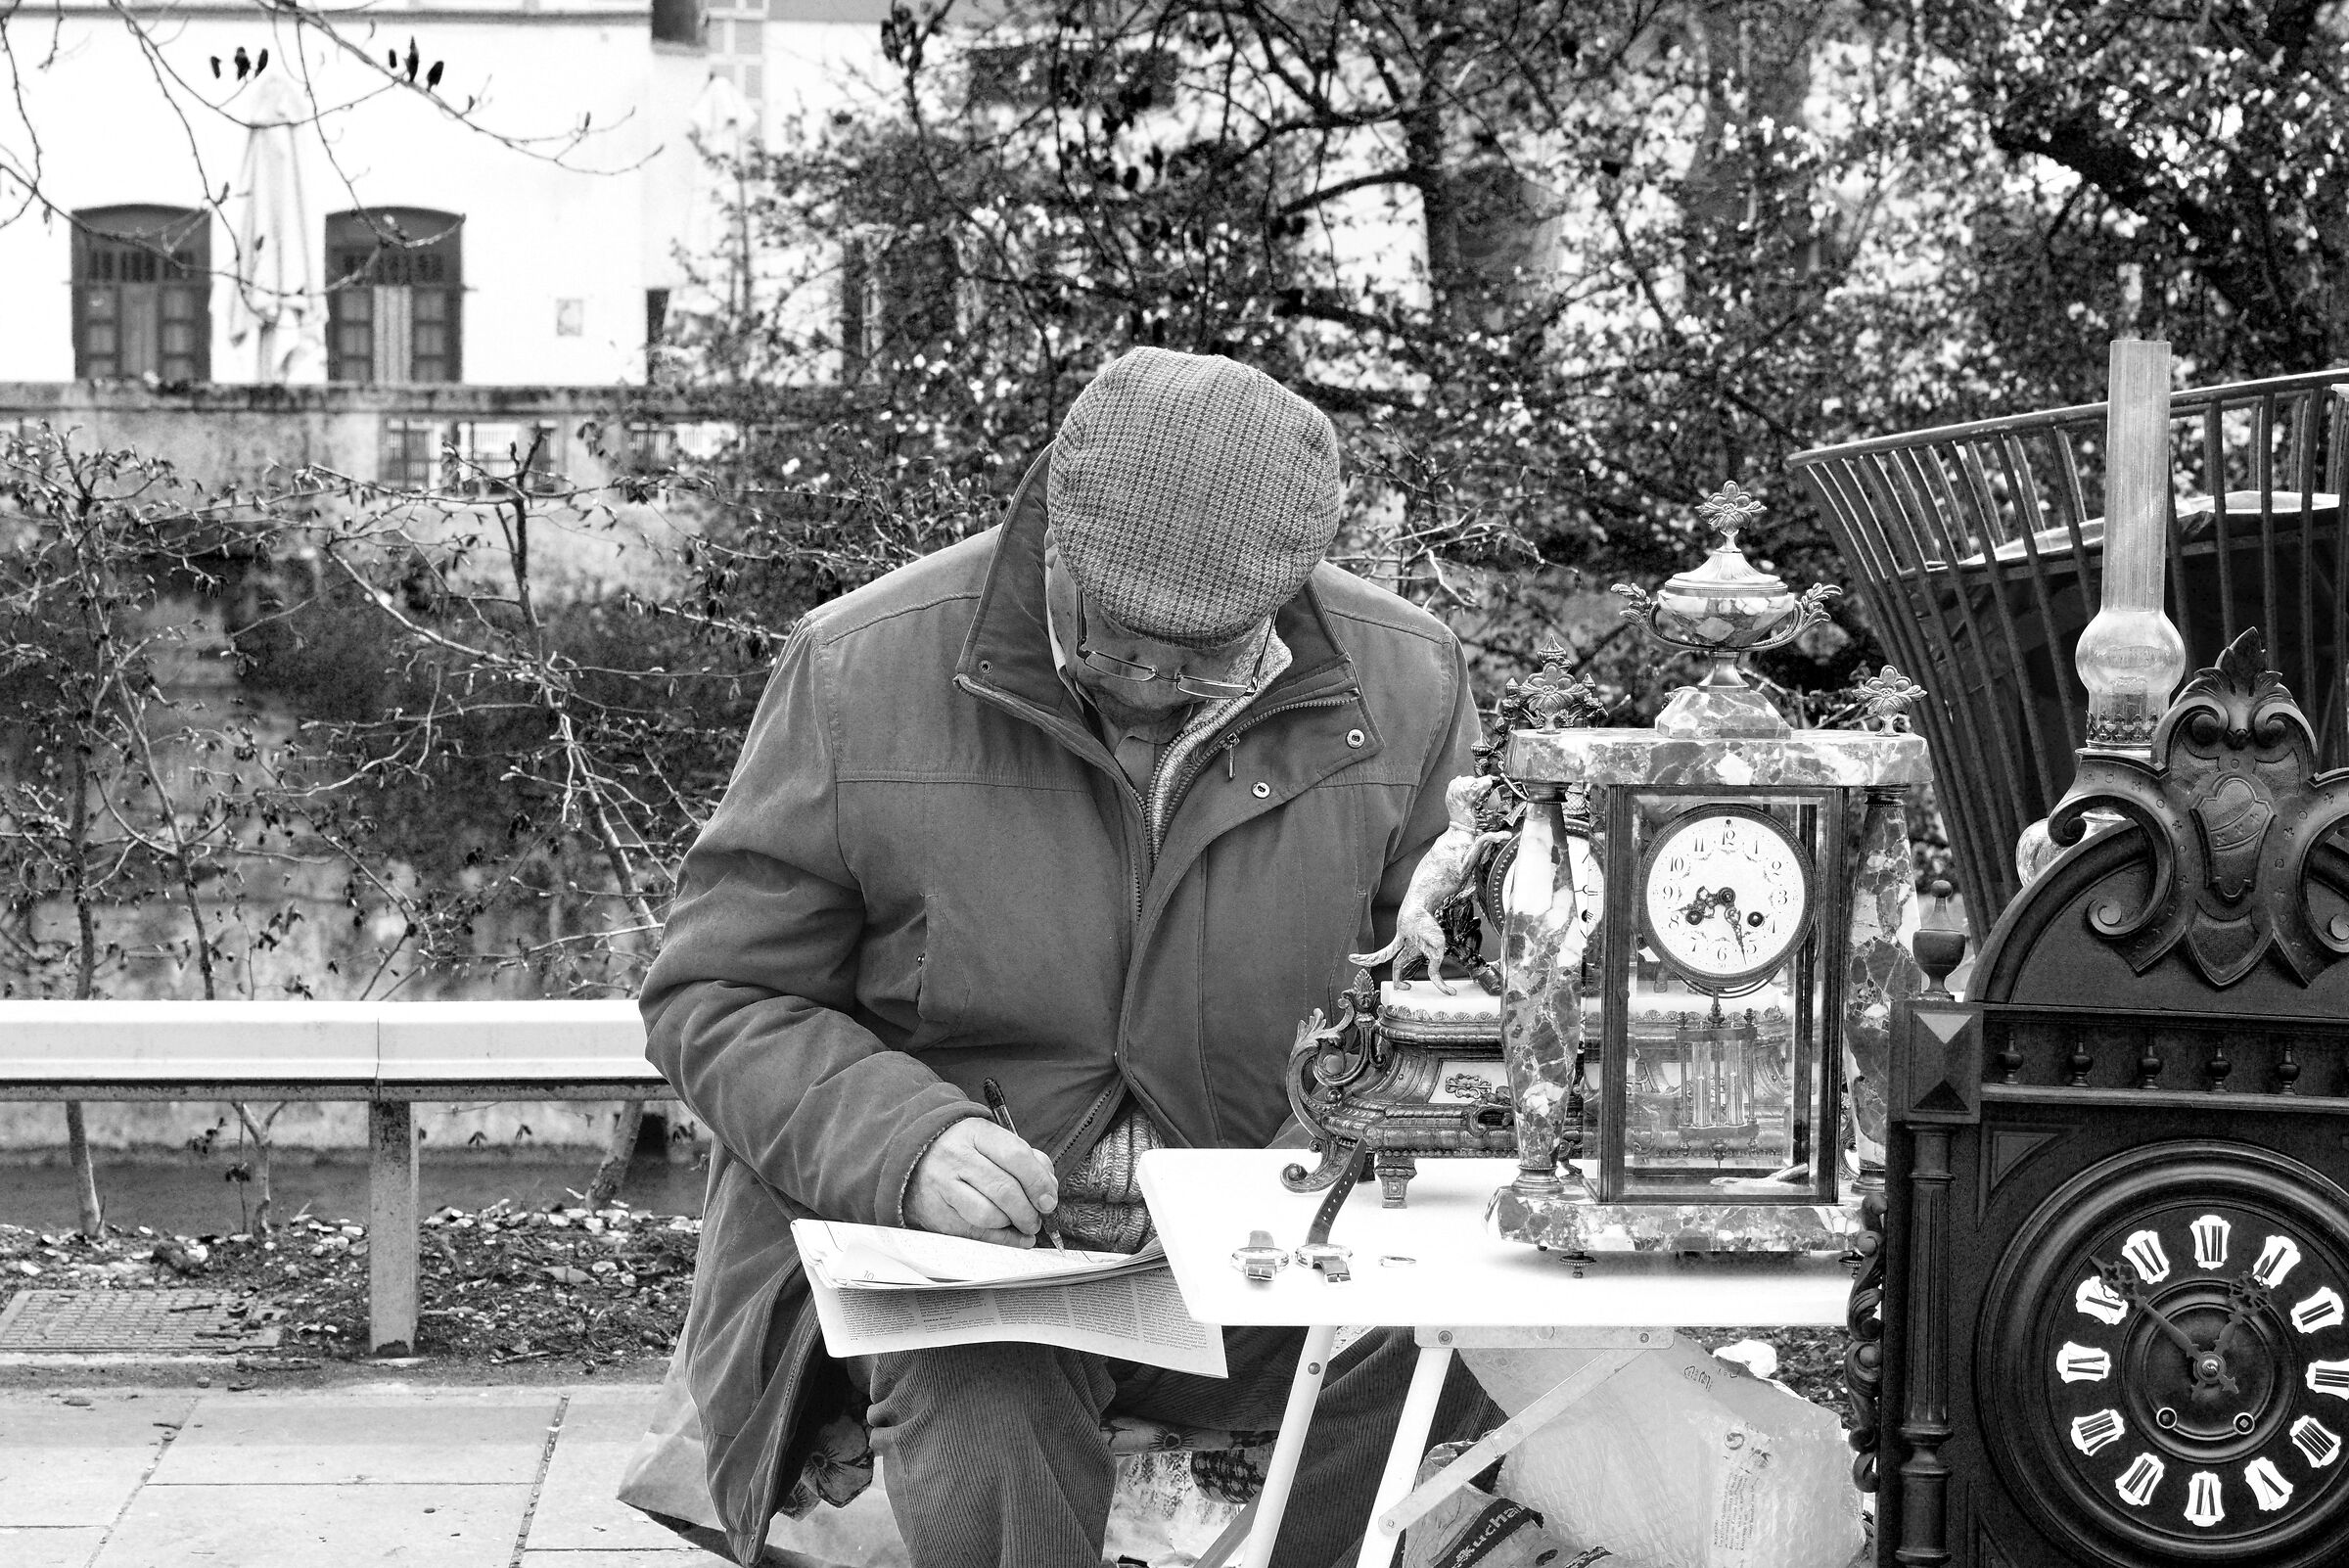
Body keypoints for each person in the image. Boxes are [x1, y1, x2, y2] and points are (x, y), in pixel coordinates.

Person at [639, 346, 1495, 1567]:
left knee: (1446, 1361)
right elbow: (716, 993)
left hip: (1266, 1251)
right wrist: (904, 1143)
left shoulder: (1406, 680)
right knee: (985, 1396)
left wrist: (1368, 1134)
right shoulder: (858, 666)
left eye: (1205, 655)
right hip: (959, 1260)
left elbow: (1454, 986)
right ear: (1060, 541)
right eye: (1123, 639)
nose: (1154, 680)